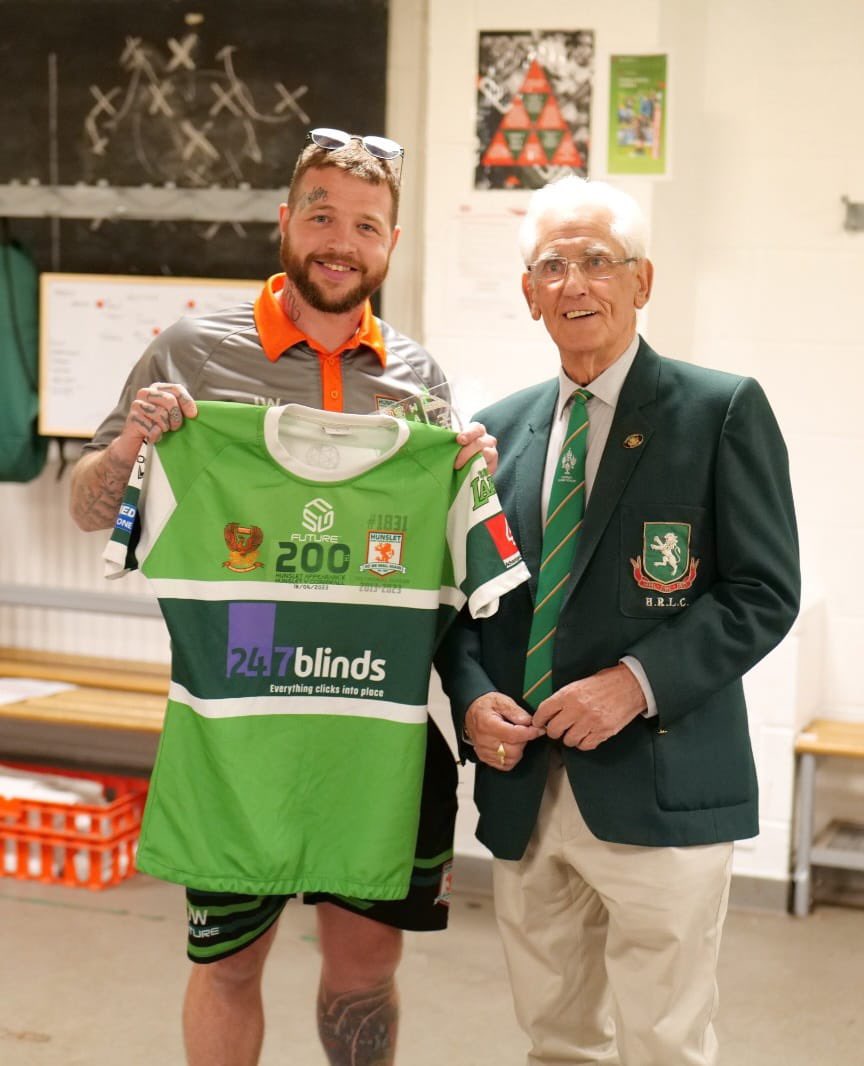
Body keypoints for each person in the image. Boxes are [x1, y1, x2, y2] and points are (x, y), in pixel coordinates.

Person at [70, 128, 498, 1066]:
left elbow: (450, 560)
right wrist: (131, 448)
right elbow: (87, 508)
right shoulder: (192, 350)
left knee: (364, 974)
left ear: (391, 244)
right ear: (286, 223)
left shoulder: (417, 381)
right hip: (241, 725)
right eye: (322, 217)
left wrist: (467, 472)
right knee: (229, 966)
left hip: (377, 727)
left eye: (367, 225)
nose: (341, 241)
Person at [435, 175, 800, 1066]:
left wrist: (632, 685)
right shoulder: (495, 432)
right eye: (552, 266)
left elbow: (763, 593)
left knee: (665, 1041)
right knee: (556, 1039)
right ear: (528, 293)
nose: (574, 284)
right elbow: (466, 605)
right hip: (528, 787)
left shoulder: (719, 412)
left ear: (642, 281)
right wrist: (476, 701)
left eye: (598, 261)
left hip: (660, 782)